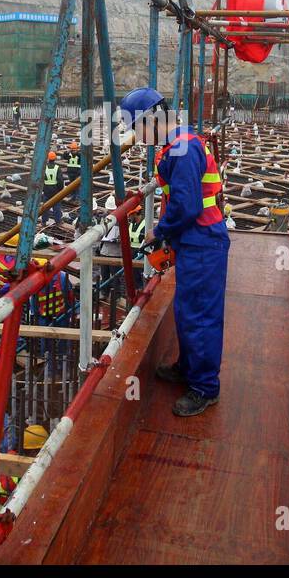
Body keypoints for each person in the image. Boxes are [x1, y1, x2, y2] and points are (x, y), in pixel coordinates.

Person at [120, 86, 229, 417]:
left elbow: (187, 205)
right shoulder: (178, 144)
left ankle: (205, 387)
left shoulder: (181, 150)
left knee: (200, 315)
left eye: (138, 128)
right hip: (195, 241)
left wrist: (160, 231)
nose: (138, 136)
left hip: (202, 241)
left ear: (152, 119)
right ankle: (188, 367)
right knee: (187, 310)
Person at [43, 151, 62, 224]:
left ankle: (44, 221)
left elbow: (41, 180)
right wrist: (60, 189)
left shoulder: (44, 167)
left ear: (48, 158)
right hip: (55, 190)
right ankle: (58, 221)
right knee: (56, 206)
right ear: (55, 159)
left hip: (46, 190)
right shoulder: (57, 168)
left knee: (45, 206)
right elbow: (60, 180)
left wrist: (43, 189)